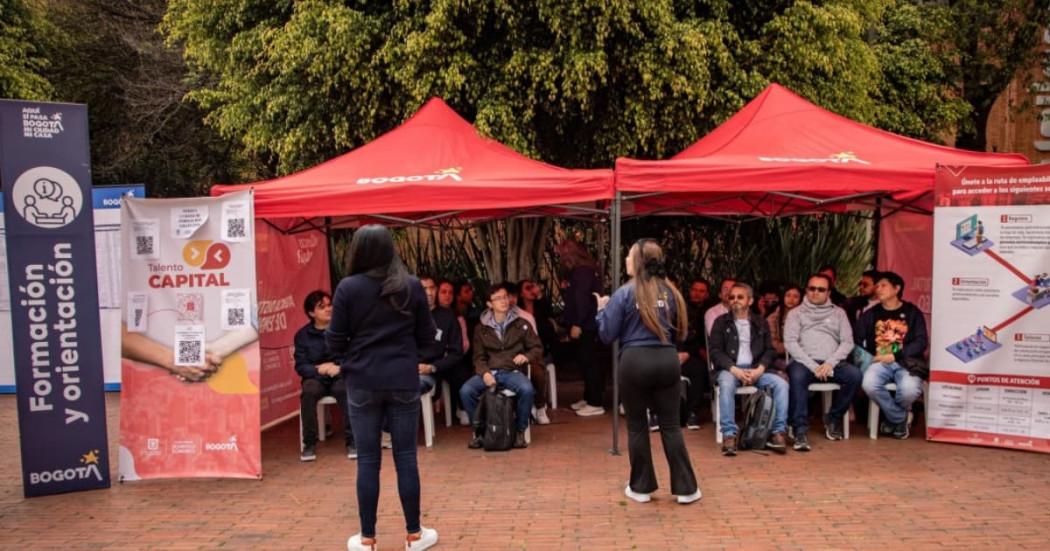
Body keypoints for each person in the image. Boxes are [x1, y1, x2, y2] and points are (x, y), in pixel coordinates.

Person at [325, 225, 438, 551]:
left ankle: (367, 539)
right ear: (391, 249)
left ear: (358, 250)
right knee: (406, 457)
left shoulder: (348, 288)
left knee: (368, 460)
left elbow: (333, 341)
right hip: (402, 378)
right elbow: (429, 339)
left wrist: (350, 359)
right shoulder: (411, 285)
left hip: (362, 381)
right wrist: (409, 356)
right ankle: (414, 535)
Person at [596, 238, 701, 505]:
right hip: (667, 358)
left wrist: (601, 310)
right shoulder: (671, 292)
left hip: (634, 360)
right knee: (671, 426)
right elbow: (681, 332)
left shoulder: (624, 293)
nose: (626, 260)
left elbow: (607, 334)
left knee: (637, 427)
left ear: (639, 261)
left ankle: (641, 488)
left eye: (629, 255)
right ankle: (687, 489)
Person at [783, 275, 862, 451]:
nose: (815, 292)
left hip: (832, 363)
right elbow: (790, 343)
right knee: (796, 376)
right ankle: (800, 430)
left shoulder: (839, 313)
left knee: (855, 375)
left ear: (828, 293)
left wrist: (830, 363)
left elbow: (848, 342)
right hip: (804, 362)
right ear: (806, 290)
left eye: (821, 289)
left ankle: (833, 418)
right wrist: (813, 366)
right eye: (812, 288)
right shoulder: (795, 314)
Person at [460, 283, 543, 449]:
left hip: (512, 371)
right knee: (466, 391)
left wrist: (526, 356)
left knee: (527, 389)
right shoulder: (481, 328)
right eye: (498, 298)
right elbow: (478, 358)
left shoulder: (521, 324)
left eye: (505, 297)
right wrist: (485, 373)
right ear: (489, 304)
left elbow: (537, 347)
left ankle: (519, 432)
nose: (504, 301)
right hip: (490, 371)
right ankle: (480, 433)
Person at [709, 282, 788, 456]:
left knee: (781, 384)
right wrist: (734, 369)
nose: (735, 300)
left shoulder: (760, 322)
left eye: (740, 297)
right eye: (732, 297)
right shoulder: (720, 322)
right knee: (726, 384)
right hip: (730, 370)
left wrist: (760, 369)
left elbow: (770, 350)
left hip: (756, 369)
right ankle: (729, 435)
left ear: (750, 301)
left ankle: (778, 433)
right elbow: (715, 352)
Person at [856, 271, 929, 440]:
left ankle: (892, 420)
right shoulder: (871, 314)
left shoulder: (912, 312)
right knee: (869, 384)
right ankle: (900, 418)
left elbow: (921, 342)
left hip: (907, 362)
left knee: (909, 390)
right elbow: (857, 339)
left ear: (897, 289)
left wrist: (895, 356)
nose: (878, 289)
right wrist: (868, 357)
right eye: (877, 286)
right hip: (879, 363)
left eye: (883, 285)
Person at [294, 290, 354, 461]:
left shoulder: (343, 331)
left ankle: (353, 442)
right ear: (311, 313)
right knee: (309, 391)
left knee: (345, 389)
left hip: (339, 375)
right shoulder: (302, 335)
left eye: (329, 305)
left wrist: (339, 367)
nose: (329, 309)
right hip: (316, 377)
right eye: (322, 307)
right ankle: (309, 444)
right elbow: (301, 366)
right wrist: (319, 370)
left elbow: (354, 356)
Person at [557, 238, 605, 417]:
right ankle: (589, 397)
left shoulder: (582, 272)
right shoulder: (584, 270)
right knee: (585, 361)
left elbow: (583, 299)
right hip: (586, 322)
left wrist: (578, 323)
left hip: (586, 324)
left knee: (589, 361)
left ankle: (595, 402)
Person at [417, 276, 463, 397]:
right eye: (424, 289)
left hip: (430, 373)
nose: (429, 293)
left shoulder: (448, 317)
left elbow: (456, 353)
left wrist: (432, 367)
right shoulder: (407, 316)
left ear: (436, 290)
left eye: (432, 288)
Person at [680, 278, 715, 429]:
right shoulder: (679, 308)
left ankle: (692, 413)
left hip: (693, 354)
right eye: (694, 290)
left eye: (701, 291)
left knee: (700, 370)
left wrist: (688, 353)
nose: (697, 294)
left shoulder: (709, 312)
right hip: (673, 352)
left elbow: (701, 340)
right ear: (689, 291)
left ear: (707, 294)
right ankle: (657, 414)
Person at [768, 285, 802, 358]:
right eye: (788, 295)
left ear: (800, 300)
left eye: (795, 296)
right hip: (779, 356)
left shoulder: (806, 317)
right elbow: (773, 344)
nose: (791, 299)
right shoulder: (773, 318)